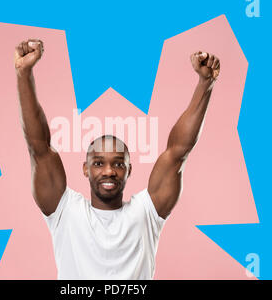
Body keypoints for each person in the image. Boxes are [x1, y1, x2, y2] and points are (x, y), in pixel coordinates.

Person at [14, 39, 220, 279]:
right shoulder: (65, 212)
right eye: (99, 163)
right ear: (85, 169)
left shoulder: (146, 213)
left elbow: (178, 151)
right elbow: (38, 146)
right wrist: (23, 72)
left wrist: (205, 83)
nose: (109, 171)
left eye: (118, 163)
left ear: (129, 170)